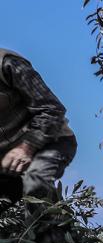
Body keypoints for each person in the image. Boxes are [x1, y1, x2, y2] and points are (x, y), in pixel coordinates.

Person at [0, 48, 76, 207]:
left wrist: (26, 148)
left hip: (51, 141)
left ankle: (53, 229)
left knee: (34, 184)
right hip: (6, 162)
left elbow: (52, 109)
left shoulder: (7, 63)